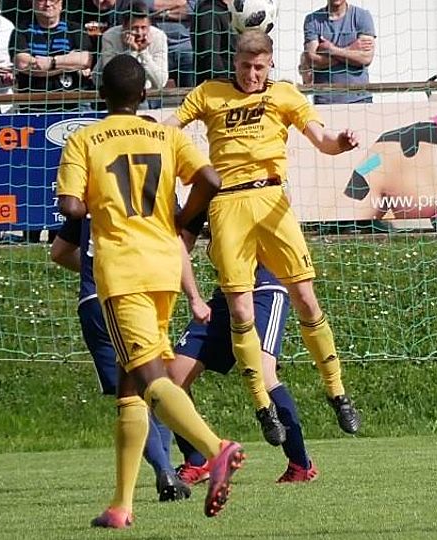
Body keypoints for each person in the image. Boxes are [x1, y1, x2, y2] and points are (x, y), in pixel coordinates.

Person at [56, 54, 242, 528]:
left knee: (150, 379)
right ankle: (121, 505)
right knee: (130, 388)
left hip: (122, 270)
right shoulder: (167, 135)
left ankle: (215, 448)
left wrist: (93, 200)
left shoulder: (84, 139)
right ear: (144, 95)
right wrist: (183, 219)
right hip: (164, 265)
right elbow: (211, 180)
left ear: (101, 94)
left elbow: (72, 208)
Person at [164, 30, 361, 447]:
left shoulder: (284, 94)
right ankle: (261, 405)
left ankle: (337, 391)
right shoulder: (209, 93)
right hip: (227, 204)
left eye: (259, 67)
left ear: (270, 64)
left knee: (305, 297)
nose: (251, 75)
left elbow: (321, 139)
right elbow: (170, 127)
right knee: (240, 310)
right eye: (244, 66)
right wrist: (141, 131)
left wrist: (340, 144)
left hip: (271, 198)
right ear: (234, 62)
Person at [50, 216, 191, 503]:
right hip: (138, 297)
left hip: (95, 301)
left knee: (130, 397)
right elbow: (178, 241)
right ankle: (180, 464)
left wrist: (92, 268)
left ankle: (164, 471)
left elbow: (59, 252)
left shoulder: (91, 200)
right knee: (154, 385)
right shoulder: (149, 198)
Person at [169, 214, 319, 484]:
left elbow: (280, 202)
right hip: (227, 293)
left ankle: (300, 464)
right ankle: (197, 461)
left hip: (264, 288)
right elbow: (183, 238)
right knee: (172, 378)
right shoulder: (205, 193)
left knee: (263, 373)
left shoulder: (260, 191)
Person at [10, 0, 93, 112]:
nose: (48, 4)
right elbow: (22, 64)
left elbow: (85, 60)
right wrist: (68, 63)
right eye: (42, 0)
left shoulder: (75, 29)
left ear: (61, 4)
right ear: (33, 3)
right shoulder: (21, 30)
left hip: (70, 105)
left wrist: (51, 62)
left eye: (53, 0)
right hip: (32, 106)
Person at [299, 0, 375, 104]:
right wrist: (351, 50)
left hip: (360, 99)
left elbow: (366, 58)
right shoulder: (312, 20)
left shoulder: (362, 16)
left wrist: (331, 50)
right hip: (325, 101)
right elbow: (312, 60)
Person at [95, 2, 169, 94]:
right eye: (135, 28)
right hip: (115, 93)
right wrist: (132, 52)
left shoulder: (159, 36)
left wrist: (143, 52)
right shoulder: (109, 37)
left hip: (149, 92)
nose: (139, 33)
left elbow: (161, 82)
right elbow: (113, 80)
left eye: (143, 27)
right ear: (124, 26)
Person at [191, 0, 233, 83]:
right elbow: (210, 57)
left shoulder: (234, 9)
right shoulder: (209, 12)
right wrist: (224, 82)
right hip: (221, 84)